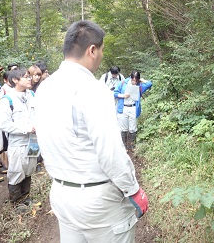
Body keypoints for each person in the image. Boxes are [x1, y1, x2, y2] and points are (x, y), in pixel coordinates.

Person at [35, 20, 148, 242]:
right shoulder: (94, 90)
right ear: (92, 50)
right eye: (102, 50)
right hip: (98, 201)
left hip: (61, 193)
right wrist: (133, 190)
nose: (102, 56)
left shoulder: (45, 88)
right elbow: (111, 154)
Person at [0, 68, 37, 212]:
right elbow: (3, 124)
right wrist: (24, 129)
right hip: (18, 142)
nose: (29, 79)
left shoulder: (32, 95)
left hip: (33, 141)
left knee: (29, 168)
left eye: (29, 77)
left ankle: (26, 197)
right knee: (16, 170)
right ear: (15, 80)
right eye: (25, 77)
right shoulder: (7, 100)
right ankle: (16, 201)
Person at [114, 70, 152, 152]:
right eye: (133, 79)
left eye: (136, 80)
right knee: (123, 128)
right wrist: (123, 95)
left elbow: (150, 84)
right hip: (123, 108)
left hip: (133, 108)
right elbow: (115, 93)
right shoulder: (123, 83)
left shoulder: (140, 85)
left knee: (133, 128)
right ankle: (124, 146)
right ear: (130, 78)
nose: (134, 81)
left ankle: (132, 145)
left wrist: (143, 80)